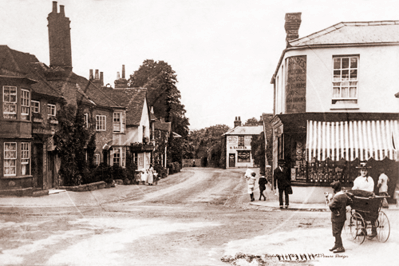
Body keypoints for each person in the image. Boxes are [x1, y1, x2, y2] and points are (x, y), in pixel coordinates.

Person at [351, 163, 377, 238]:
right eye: (362, 170)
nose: (364, 172)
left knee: (372, 212)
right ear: (360, 171)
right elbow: (354, 188)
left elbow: (371, 189)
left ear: (367, 171)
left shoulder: (370, 179)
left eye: (365, 170)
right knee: (360, 211)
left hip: (367, 197)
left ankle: (374, 230)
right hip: (360, 198)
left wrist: (364, 192)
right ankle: (363, 230)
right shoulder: (357, 179)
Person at [329, 181, 350, 253]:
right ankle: (336, 245)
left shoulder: (336, 197)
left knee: (336, 232)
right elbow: (350, 201)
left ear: (335, 189)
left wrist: (329, 199)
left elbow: (331, 206)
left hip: (336, 217)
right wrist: (342, 206)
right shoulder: (344, 195)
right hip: (342, 216)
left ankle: (340, 247)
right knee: (338, 231)